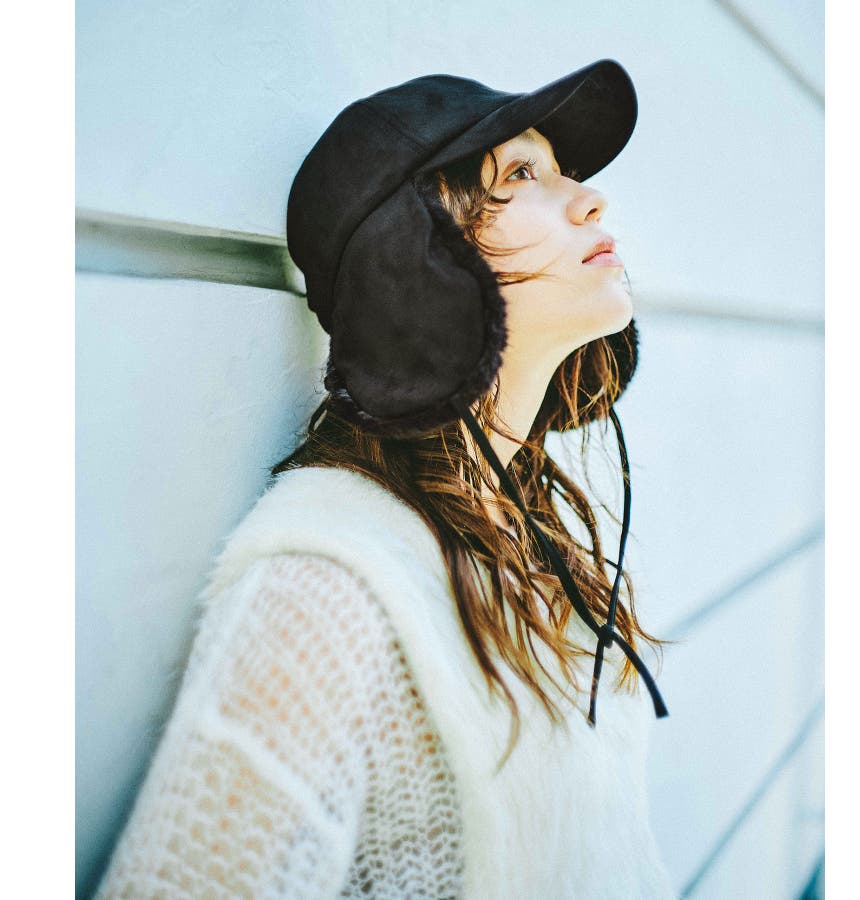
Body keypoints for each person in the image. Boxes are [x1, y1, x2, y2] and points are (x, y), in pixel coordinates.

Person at [93, 59, 676, 899]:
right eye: (521, 174)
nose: (589, 200)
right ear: (418, 263)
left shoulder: (530, 536)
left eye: (562, 171)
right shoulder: (328, 588)